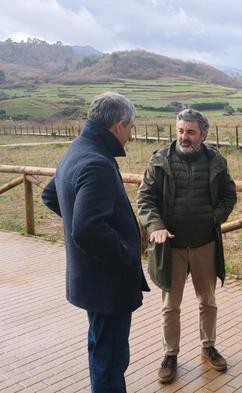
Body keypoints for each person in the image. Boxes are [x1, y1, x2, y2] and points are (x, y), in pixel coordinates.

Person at [41, 92, 150, 392]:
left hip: (93, 281)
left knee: (101, 350)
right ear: (118, 125)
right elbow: (88, 229)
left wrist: (78, 221)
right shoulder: (97, 162)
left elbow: (50, 195)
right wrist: (125, 252)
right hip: (108, 284)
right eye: (130, 128)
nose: (131, 135)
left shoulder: (78, 149)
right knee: (110, 361)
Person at [137, 108, 237, 384]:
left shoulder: (216, 161)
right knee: (171, 305)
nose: (184, 136)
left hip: (205, 244)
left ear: (203, 134)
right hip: (171, 248)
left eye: (190, 132)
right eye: (181, 130)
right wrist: (155, 226)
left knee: (208, 301)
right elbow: (145, 199)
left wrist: (214, 219)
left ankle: (208, 347)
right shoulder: (159, 161)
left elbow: (229, 196)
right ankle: (170, 354)